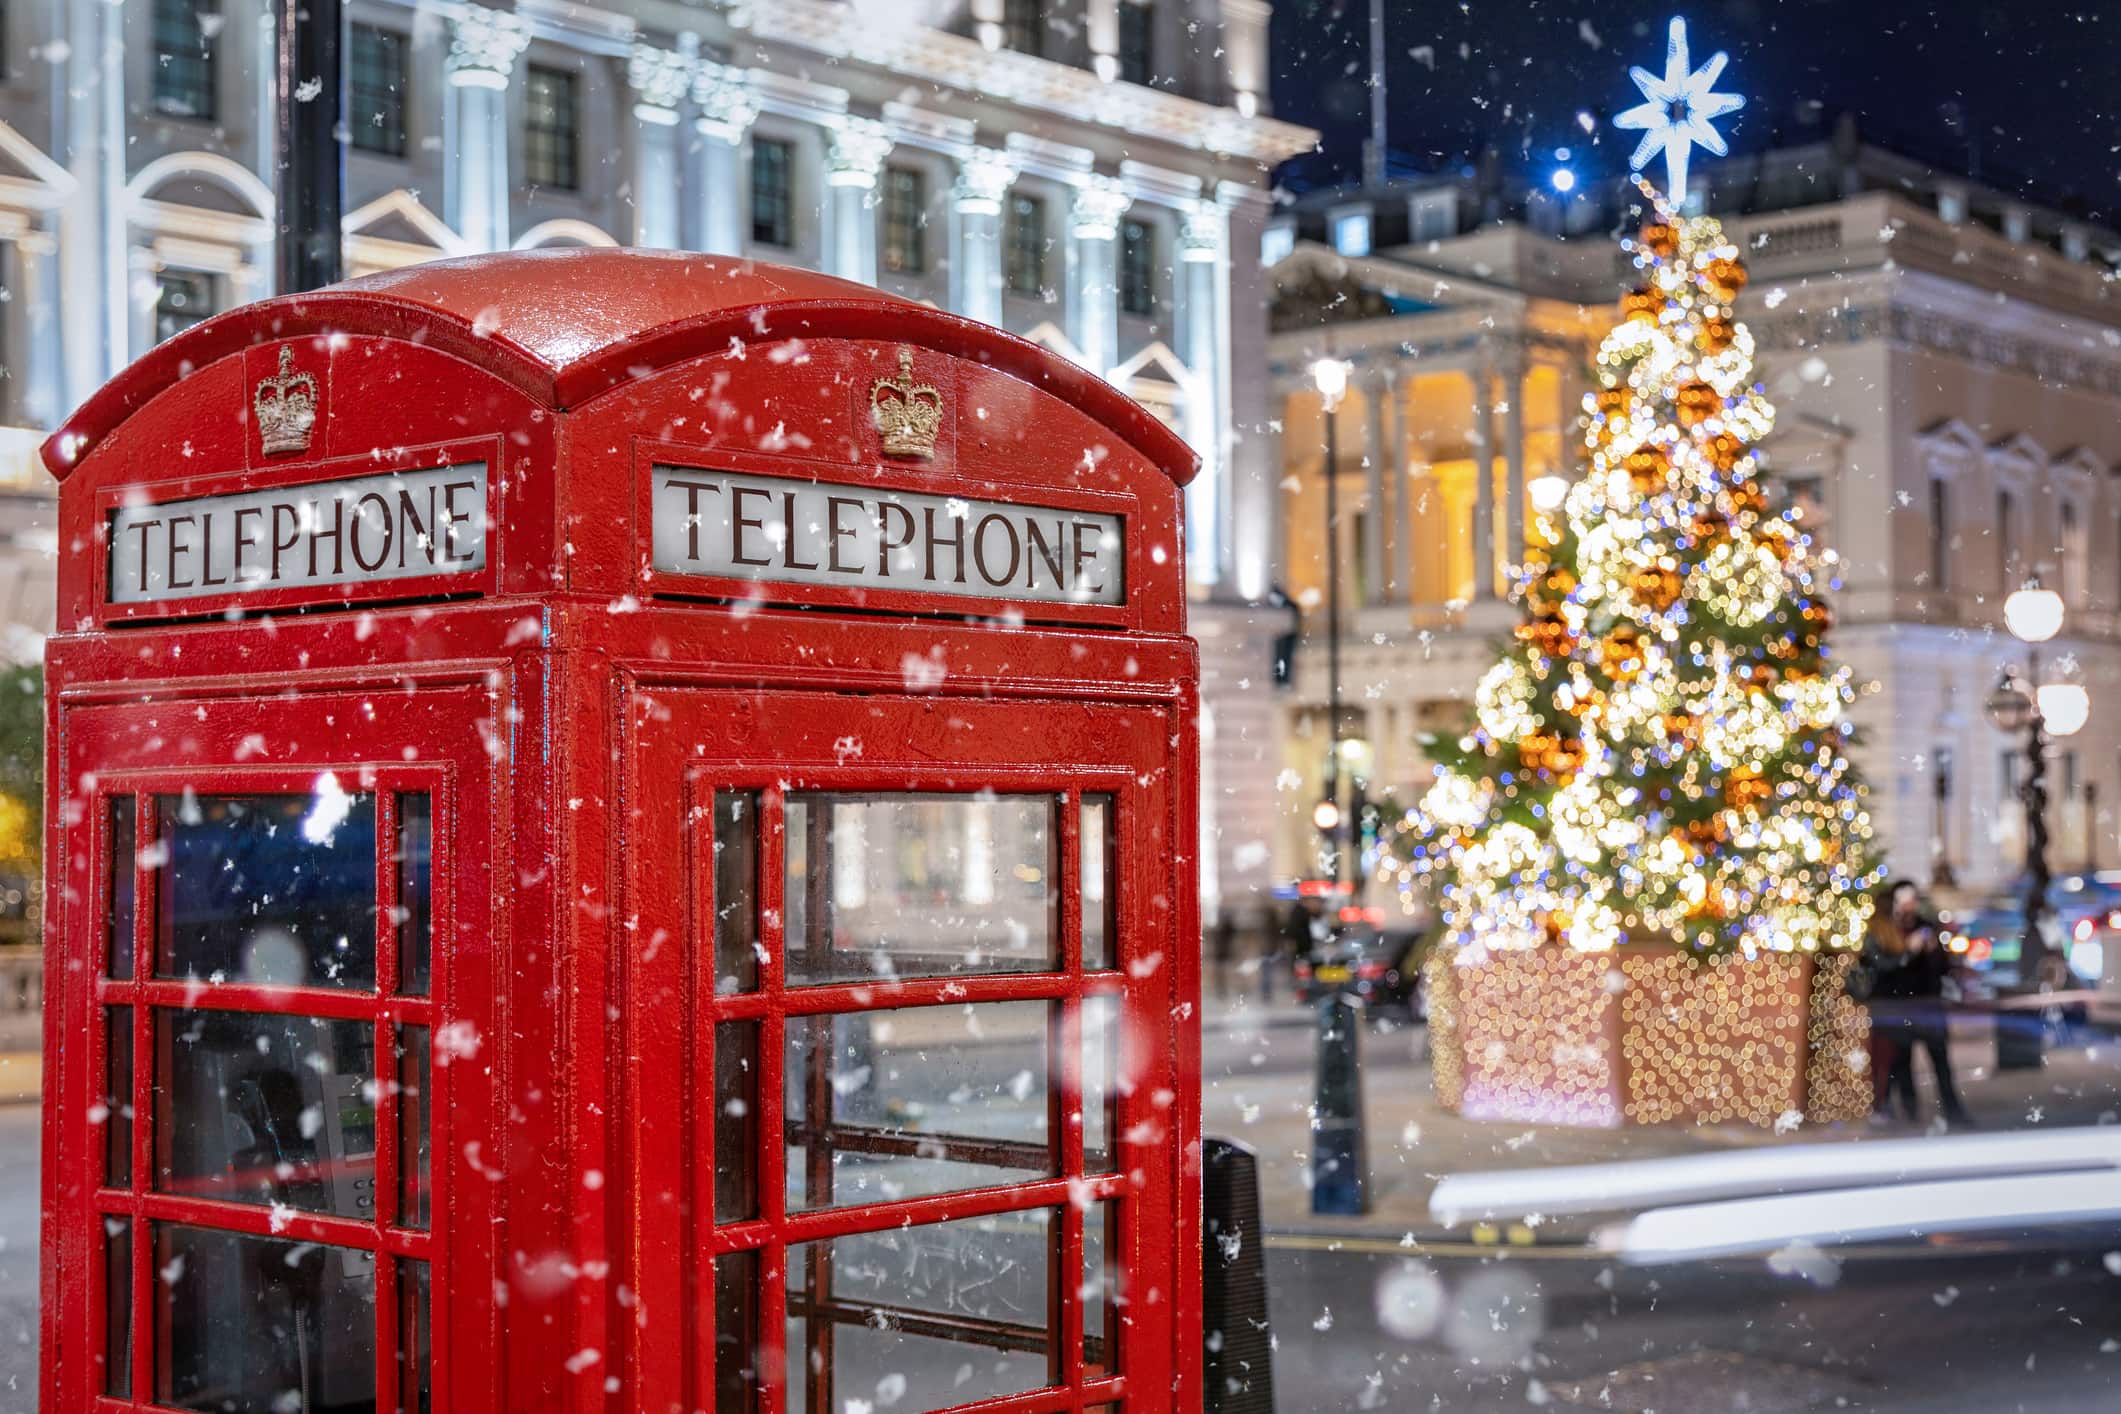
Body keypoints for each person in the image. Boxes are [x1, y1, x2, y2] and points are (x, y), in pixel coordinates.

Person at [1892, 882, 1972, 1127]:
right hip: (1904, 1005)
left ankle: (1952, 1109)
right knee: (1903, 1063)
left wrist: (1933, 952)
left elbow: (1943, 967)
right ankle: (1910, 1111)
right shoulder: (1890, 932)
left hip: (1928, 1004)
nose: (1909, 907)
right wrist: (1908, 952)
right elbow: (1890, 968)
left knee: (1940, 1062)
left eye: (1912, 901)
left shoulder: (1927, 928)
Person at [1857, 885, 1916, 1122]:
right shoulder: (1876, 932)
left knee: (1895, 1056)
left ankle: (1892, 1105)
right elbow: (1880, 965)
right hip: (1884, 1003)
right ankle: (1880, 1105)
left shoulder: (1890, 930)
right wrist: (1906, 955)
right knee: (1884, 1056)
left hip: (1894, 1003)